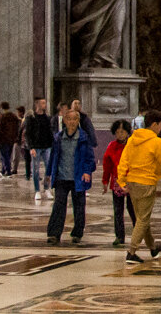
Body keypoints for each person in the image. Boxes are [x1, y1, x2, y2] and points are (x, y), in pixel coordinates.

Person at [119, 110, 161, 264]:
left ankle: (152, 248)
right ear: (154, 125)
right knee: (143, 220)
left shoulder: (132, 139)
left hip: (132, 183)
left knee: (141, 219)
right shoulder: (156, 142)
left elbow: (124, 161)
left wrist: (122, 181)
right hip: (147, 184)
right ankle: (131, 252)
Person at [47, 101, 95, 245]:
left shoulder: (83, 138)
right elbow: (54, 157)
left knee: (79, 206)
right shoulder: (58, 138)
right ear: (65, 121)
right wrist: (49, 174)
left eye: (75, 119)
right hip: (62, 177)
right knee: (58, 205)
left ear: (78, 121)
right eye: (69, 119)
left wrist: (87, 171)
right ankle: (54, 233)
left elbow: (89, 158)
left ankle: (77, 232)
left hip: (78, 177)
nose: (72, 122)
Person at [101, 119, 132, 247]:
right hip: (117, 182)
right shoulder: (111, 146)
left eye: (123, 132)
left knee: (133, 209)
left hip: (131, 182)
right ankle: (119, 236)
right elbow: (107, 165)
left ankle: (139, 233)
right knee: (118, 210)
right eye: (118, 132)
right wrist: (104, 181)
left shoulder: (132, 145)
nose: (120, 134)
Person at [26, 97, 56, 200]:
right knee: (35, 169)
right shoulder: (31, 118)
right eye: (42, 103)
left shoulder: (47, 117)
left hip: (47, 146)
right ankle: (37, 190)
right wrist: (31, 147)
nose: (45, 105)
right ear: (37, 104)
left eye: (45, 103)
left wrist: (53, 145)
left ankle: (47, 188)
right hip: (36, 147)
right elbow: (28, 134)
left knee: (49, 168)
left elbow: (50, 132)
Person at [0, 102, 22, 177]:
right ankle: (3, 170)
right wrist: (15, 137)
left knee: (4, 156)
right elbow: (17, 128)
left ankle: (8, 170)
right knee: (8, 155)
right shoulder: (14, 116)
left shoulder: (1, 117)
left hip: (3, 140)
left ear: (1, 108)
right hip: (11, 139)